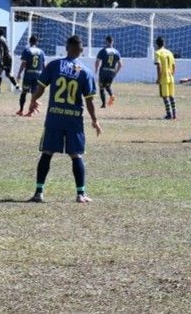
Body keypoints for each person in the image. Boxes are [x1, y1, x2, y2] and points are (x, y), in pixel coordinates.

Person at [25, 35, 101, 203]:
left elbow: (41, 87)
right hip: (74, 120)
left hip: (54, 118)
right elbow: (89, 100)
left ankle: (38, 193)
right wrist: (95, 120)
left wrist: (32, 101)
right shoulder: (85, 72)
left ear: (66, 48)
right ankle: (80, 194)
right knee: (76, 155)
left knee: (47, 154)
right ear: (81, 50)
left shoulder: (54, 65)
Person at [15, 34, 45, 116]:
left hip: (29, 75)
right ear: (37, 42)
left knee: (24, 93)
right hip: (38, 75)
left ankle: (21, 111)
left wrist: (19, 74)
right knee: (34, 94)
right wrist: (45, 76)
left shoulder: (27, 50)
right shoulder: (41, 52)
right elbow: (44, 65)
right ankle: (31, 112)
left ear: (29, 41)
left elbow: (23, 64)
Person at [95, 35, 122, 108]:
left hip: (104, 71)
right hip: (112, 72)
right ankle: (111, 95)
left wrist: (96, 69)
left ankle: (103, 104)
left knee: (101, 87)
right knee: (107, 86)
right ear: (112, 42)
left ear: (106, 42)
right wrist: (116, 72)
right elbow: (120, 64)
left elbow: (97, 61)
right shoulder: (116, 52)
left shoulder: (103, 50)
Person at [153, 36, 177, 119]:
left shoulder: (157, 53)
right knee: (171, 96)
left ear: (156, 44)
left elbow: (159, 66)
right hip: (171, 77)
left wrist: (159, 78)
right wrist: (172, 74)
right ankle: (174, 114)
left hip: (164, 77)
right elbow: (174, 65)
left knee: (165, 96)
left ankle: (169, 114)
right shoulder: (169, 52)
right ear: (164, 43)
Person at [0, 27, 18, 94]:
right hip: (7, 57)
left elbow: (2, 50)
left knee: (3, 73)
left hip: (5, 58)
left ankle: (17, 88)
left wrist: (2, 59)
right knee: (2, 73)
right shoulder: (4, 39)